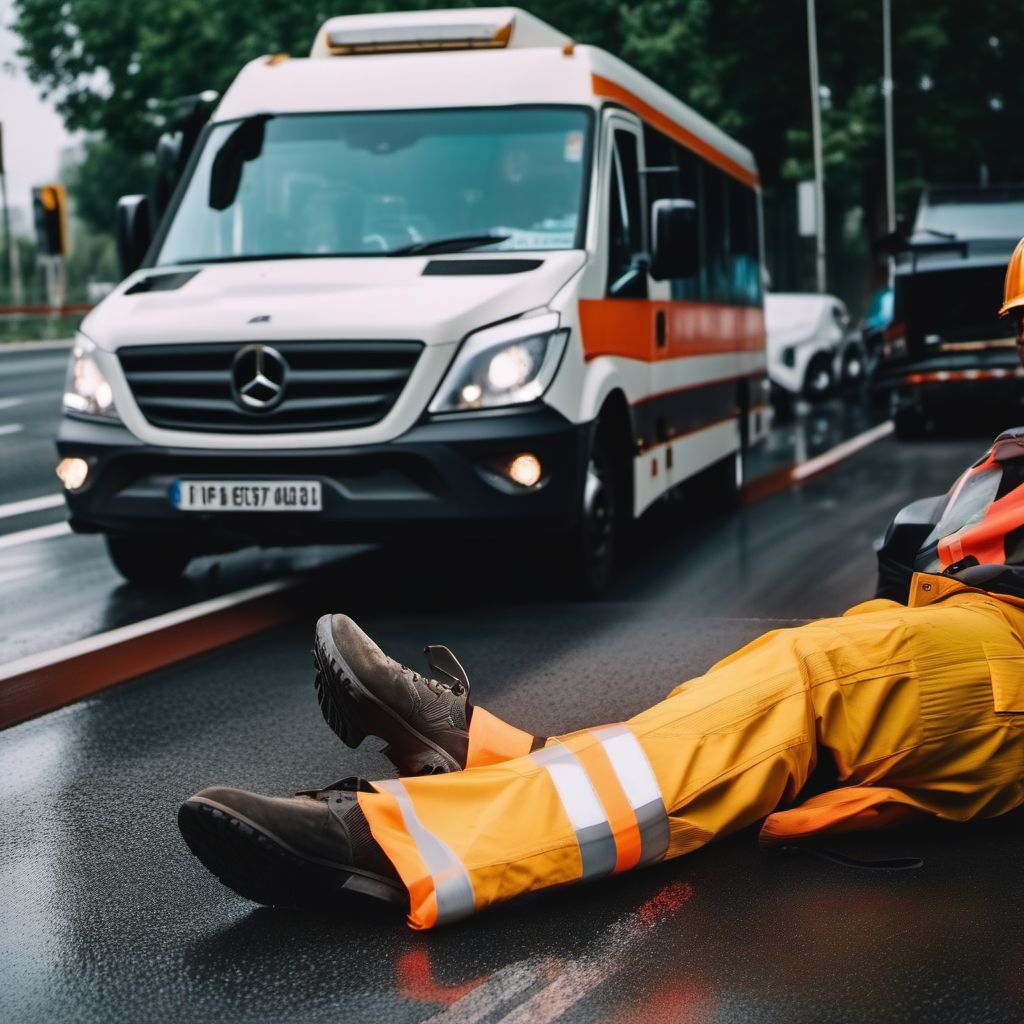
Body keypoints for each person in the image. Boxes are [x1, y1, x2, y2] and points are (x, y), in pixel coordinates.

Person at [177, 242, 1024, 931]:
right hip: (965, 634)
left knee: (816, 678)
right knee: (740, 707)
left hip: (1004, 646)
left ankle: (399, 840)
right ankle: (484, 752)